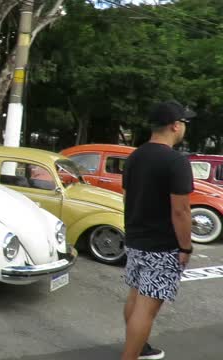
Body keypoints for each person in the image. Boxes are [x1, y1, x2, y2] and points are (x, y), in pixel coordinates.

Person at [121, 100, 195, 360]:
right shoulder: (176, 162)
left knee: (135, 296)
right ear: (175, 126)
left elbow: (127, 197)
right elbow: (181, 211)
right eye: (184, 122)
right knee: (147, 307)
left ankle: (138, 348)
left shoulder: (134, 156)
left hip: (135, 239)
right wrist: (185, 247)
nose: (185, 126)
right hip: (162, 246)